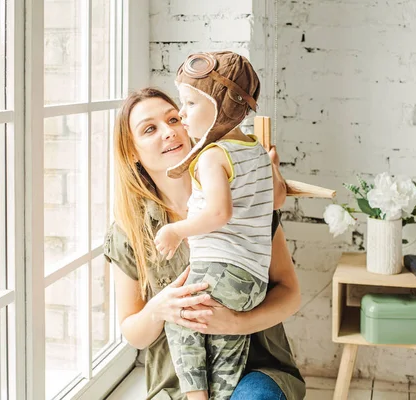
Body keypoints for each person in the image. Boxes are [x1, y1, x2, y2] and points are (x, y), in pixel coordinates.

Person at [104, 86, 305, 400]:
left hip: (254, 369)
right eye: (150, 129)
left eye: (174, 119)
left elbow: (290, 294)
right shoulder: (129, 230)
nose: (169, 132)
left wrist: (237, 323)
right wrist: (159, 309)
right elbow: (134, 334)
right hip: (178, 382)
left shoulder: (247, 201)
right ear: (132, 151)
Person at [153, 51, 272, 400]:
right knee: (223, 348)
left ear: (222, 107)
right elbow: (276, 196)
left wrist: (177, 230)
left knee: (179, 319)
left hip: (222, 268)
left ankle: (194, 398)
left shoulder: (211, 156)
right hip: (253, 280)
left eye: (190, 103)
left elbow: (220, 213)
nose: (182, 112)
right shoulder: (256, 150)